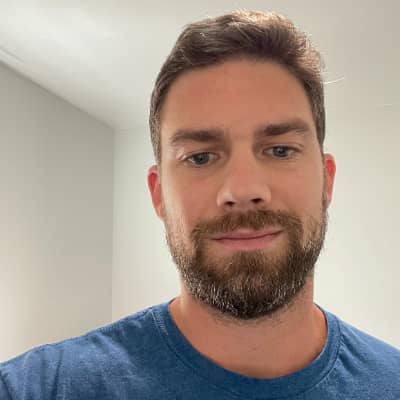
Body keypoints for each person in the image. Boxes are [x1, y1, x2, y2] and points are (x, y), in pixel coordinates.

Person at [0, 10, 399, 400]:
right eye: (201, 157)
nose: (243, 189)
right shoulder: (36, 389)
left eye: (280, 150)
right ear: (158, 194)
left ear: (327, 181)